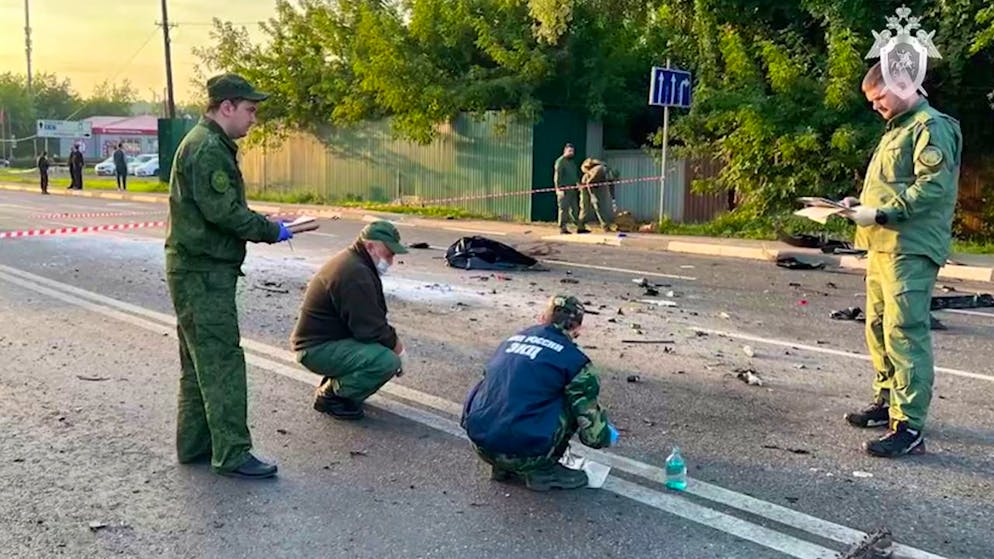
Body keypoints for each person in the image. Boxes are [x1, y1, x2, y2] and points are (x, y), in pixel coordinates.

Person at [164, 73, 294, 479]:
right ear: (227, 107)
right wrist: (272, 230)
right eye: (250, 110)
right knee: (221, 362)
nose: (253, 119)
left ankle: (196, 445)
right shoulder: (208, 150)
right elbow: (224, 213)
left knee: (198, 362)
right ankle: (233, 453)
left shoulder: (206, 143)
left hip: (194, 268)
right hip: (203, 272)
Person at [839, 61, 962, 458]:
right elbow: (890, 187)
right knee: (877, 326)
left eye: (880, 98)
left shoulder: (931, 127)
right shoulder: (899, 129)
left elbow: (933, 187)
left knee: (904, 331)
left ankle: (909, 427)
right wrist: (860, 206)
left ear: (905, 84)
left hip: (910, 246)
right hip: (884, 245)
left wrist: (882, 212)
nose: (876, 107)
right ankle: (887, 401)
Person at [461, 295, 619, 491]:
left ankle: (503, 467)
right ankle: (543, 471)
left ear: (542, 318)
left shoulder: (509, 341)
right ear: (578, 329)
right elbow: (594, 437)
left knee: (507, 386)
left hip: (483, 446)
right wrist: (605, 433)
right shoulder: (576, 362)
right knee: (573, 399)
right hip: (528, 454)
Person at [290, 221, 407, 420]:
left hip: (326, 341)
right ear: (370, 246)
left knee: (382, 350)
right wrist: (399, 351)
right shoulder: (355, 273)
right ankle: (332, 396)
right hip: (316, 348)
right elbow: (371, 329)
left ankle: (340, 381)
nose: (391, 261)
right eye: (388, 253)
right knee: (386, 361)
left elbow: (369, 319)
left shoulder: (356, 262)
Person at [554, 143, 589, 235]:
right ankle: (562, 227)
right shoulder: (560, 162)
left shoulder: (572, 163)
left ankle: (579, 227)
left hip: (572, 189)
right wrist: (558, 189)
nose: (571, 153)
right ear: (565, 151)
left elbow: (574, 175)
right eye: (569, 151)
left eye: (572, 151)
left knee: (575, 209)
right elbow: (557, 176)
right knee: (563, 209)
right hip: (564, 189)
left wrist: (578, 184)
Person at [579, 157, 618, 231]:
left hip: (596, 185)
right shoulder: (599, 171)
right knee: (585, 206)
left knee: (599, 206)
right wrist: (592, 196)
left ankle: (605, 226)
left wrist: (613, 200)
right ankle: (580, 226)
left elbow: (611, 186)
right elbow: (589, 183)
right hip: (586, 185)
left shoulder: (609, 174)